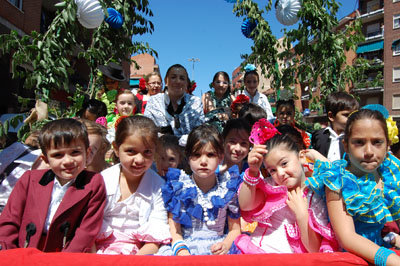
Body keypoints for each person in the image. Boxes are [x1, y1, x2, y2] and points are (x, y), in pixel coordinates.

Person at [306, 107, 400, 266]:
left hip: (379, 249)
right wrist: (393, 260)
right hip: (349, 257)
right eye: (359, 142)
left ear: (388, 145)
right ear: (346, 145)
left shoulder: (389, 173)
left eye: (377, 142)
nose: (369, 151)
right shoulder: (337, 180)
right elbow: (347, 238)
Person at [0, 118, 106, 252]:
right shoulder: (30, 179)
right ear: (46, 159)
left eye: (75, 152)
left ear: (87, 152)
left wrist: (66, 261)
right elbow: (9, 220)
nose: (68, 161)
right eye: (58, 155)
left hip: (64, 254)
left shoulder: (94, 184)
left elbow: (86, 231)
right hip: (24, 250)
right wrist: (9, 253)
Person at [235, 118, 338, 254]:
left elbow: (314, 249)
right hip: (257, 253)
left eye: (284, 163)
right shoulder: (270, 187)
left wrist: (301, 214)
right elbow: (245, 205)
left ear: (301, 156)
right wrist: (253, 172)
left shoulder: (314, 196)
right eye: (272, 170)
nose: (281, 173)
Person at [159, 124, 242, 255]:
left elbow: (235, 229)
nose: (203, 161)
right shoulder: (178, 187)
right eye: (197, 155)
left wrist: (225, 245)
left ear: (220, 157)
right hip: (186, 248)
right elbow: (175, 232)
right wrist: (181, 251)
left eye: (210, 155)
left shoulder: (227, 187)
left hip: (219, 248)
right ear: (187, 157)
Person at [95, 116, 171, 255]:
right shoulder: (102, 181)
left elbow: (155, 238)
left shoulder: (158, 186)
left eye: (147, 152)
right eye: (131, 151)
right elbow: (89, 229)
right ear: (116, 149)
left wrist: (133, 261)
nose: (139, 160)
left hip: (140, 254)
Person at [144, 64, 205, 140]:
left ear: (186, 83)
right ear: (166, 81)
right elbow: (147, 130)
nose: (178, 81)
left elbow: (200, 131)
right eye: (173, 77)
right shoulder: (153, 101)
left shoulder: (195, 102)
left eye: (182, 78)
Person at [311, 91, 359, 161]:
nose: (351, 118)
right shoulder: (319, 136)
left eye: (354, 115)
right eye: (346, 115)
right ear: (331, 116)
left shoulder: (355, 137)